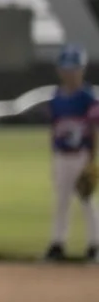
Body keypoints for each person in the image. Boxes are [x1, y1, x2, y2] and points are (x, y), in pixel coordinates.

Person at [40, 44, 98, 263]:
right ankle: (57, 244)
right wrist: (52, 156)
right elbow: (53, 129)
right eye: (67, 69)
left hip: (81, 155)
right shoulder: (56, 98)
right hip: (61, 156)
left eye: (74, 69)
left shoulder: (87, 97)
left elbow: (93, 129)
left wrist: (92, 159)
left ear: (82, 70)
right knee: (61, 202)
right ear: (60, 71)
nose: (70, 73)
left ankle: (94, 246)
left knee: (87, 201)